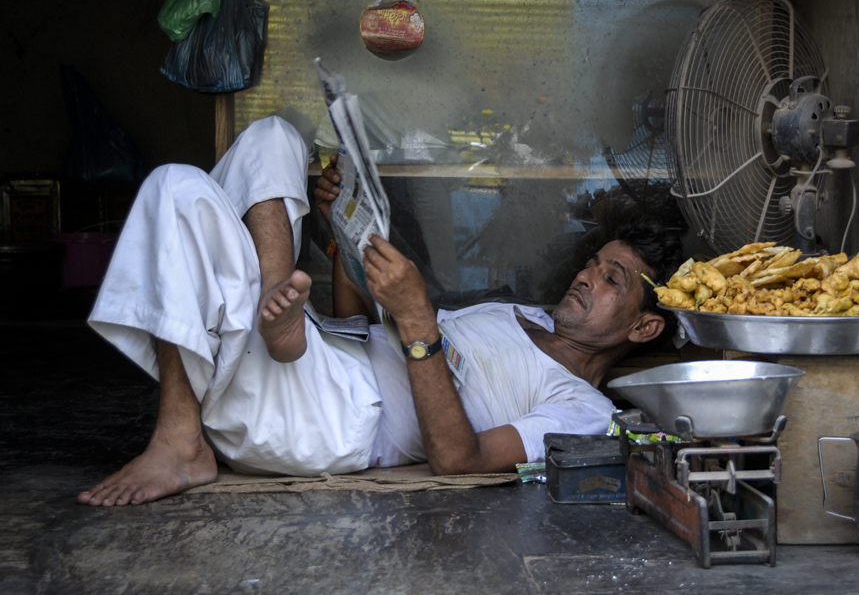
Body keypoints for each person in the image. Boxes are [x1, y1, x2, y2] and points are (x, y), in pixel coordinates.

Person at [77, 116, 681, 507]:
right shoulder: (529, 315)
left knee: (175, 185)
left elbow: (460, 463)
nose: (585, 276)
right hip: (322, 352)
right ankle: (275, 307)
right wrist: (342, 238)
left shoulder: (584, 410)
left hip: (328, 420)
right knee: (272, 137)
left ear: (644, 324)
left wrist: (420, 320)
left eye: (612, 280)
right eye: (593, 263)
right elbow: (364, 326)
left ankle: (180, 439)